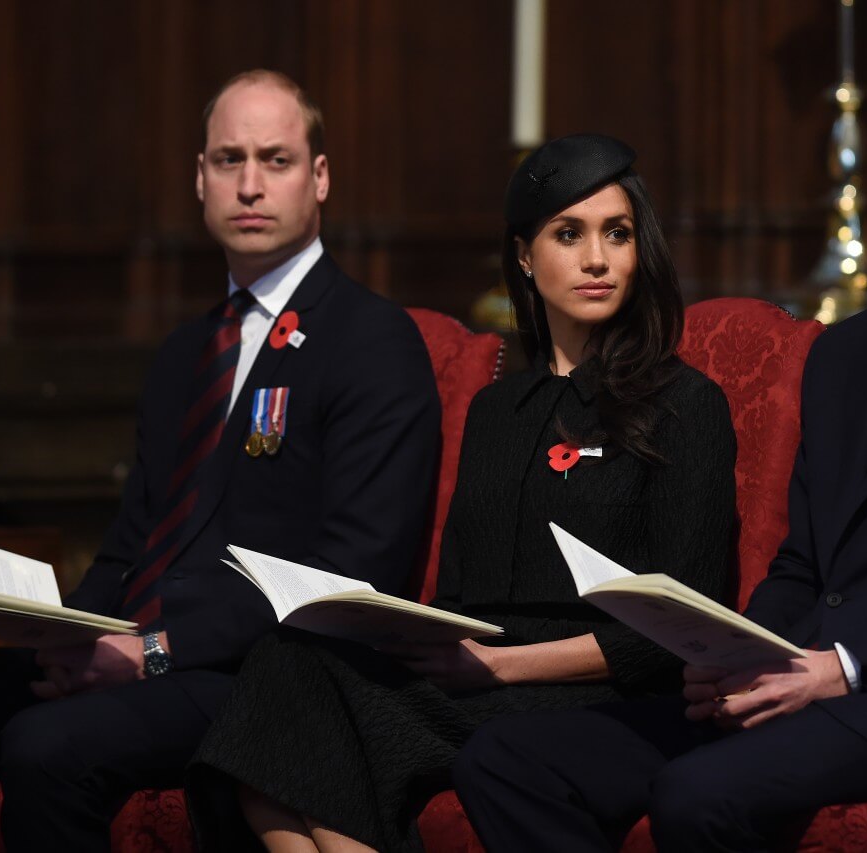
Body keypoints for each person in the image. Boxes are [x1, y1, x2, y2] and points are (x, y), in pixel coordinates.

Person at [454, 56, 867, 851]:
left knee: (697, 791)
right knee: (508, 760)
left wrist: (841, 665)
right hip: (809, 678)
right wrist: (735, 652)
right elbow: (805, 564)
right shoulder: (847, 353)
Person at [184, 133, 738, 852]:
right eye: (568, 234)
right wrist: (406, 631)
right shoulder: (494, 412)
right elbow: (461, 597)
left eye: (618, 234)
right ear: (523, 257)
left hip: (600, 686)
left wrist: (500, 663)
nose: (597, 259)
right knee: (286, 665)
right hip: (478, 671)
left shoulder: (686, 403)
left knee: (312, 726)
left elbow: (683, 621)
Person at [0, 69, 440, 851]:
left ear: (320, 178)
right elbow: (132, 543)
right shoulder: (185, 352)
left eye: (275, 161)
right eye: (228, 160)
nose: (249, 184)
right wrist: (64, 634)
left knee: (48, 746)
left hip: (256, 675)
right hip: (139, 649)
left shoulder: (370, 339)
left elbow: (351, 572)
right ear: (198, 178)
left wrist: (151, 654)